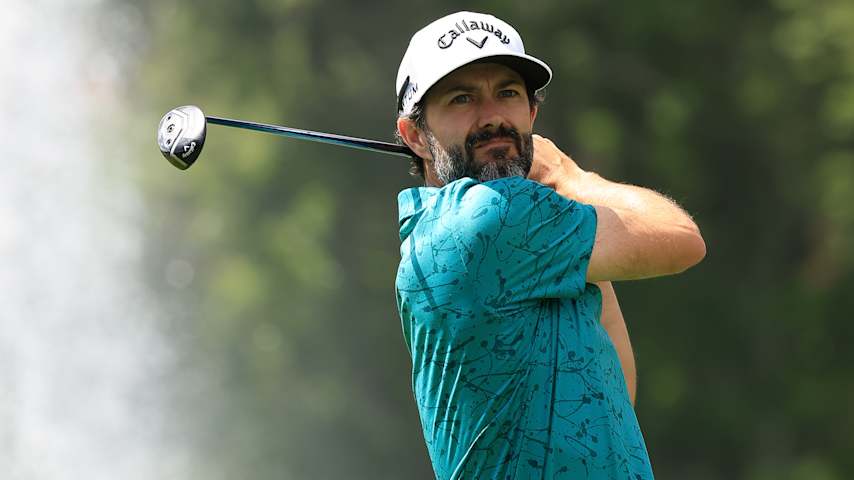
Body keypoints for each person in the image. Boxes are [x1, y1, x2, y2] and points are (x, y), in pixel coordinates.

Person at [393, 11, 705, 480]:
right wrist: (567, 175)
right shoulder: (488, 218)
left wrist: (561, 205)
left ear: (532, 114)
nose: (493, 117)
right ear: (415, 136)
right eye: (462, 98)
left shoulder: (463, 235)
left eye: (508, 93)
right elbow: (681, 238)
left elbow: (611, 400)